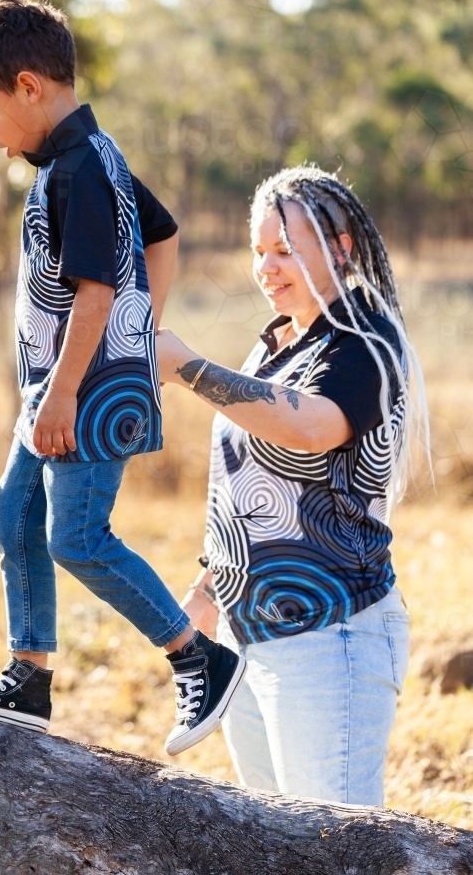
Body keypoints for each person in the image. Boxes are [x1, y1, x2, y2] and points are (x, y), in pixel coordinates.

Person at [0, 0, 246, 755]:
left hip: (85, 395)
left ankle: (198, 656)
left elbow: (98, 291)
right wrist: (145, 332)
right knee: (14, 520)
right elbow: (162, 235)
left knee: (75, 535)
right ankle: (27, 680)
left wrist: (82, 377)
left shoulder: (80, 169)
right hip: (65, 387)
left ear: (30, 87)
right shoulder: (88, 158)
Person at [157, 165, 429, 803]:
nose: (266, 267)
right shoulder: (277, 344)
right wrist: (207, 588)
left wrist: (188, 368)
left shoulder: (366, 342)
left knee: (334, 849)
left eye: (284, 250)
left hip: (329, 638)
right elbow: (250, 486)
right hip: (247, 639)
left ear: (341, 249)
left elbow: (311, 427)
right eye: (258, 251)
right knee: (279, 846)